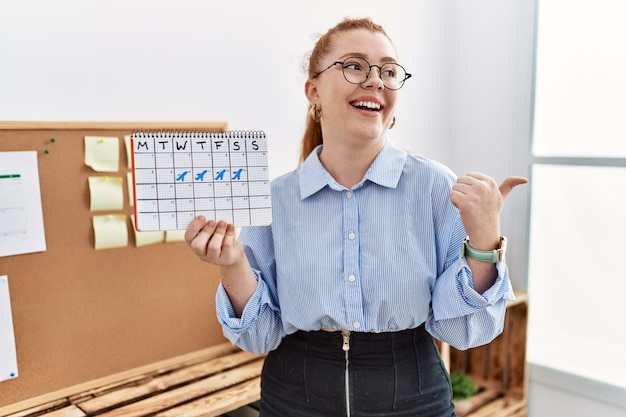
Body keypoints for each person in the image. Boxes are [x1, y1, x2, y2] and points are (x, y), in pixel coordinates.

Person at [185, 17, 527, 417]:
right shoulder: (275, 199)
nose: (375, 80)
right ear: (313, 90)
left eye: (388, 70)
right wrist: (232, 265)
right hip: (293, 396)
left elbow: (465, 330)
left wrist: (485, 241)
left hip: (413, 395)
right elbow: (260, 335)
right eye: (354, 65)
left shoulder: (435, 186)